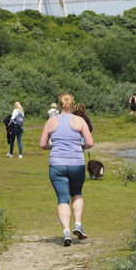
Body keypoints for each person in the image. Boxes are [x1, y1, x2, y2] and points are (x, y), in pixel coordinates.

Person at [39, 93, 94, 246]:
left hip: (57, 164)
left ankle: (66, 232)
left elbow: (42, 144)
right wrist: (79, 146)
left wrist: (53, 146)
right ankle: (77, 223)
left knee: (63, 198)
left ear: (59, 104)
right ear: (72, 104)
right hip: (76, 163)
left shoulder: (51, 121)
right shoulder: (79, 120)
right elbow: (90, 143)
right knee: (76, 193)